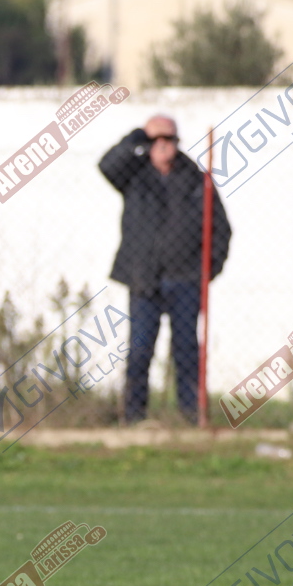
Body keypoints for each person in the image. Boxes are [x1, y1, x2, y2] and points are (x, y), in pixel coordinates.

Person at [99, 114, 231, 425]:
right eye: (154, 140)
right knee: (140, 349)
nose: (161, 145)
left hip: (185, 280)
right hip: (144, 279)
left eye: (167, 139)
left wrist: (206, 271)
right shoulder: (134, 175)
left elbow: (221, 230)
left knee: (186, 350)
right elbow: (107, 166)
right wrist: (138, 134)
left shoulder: (196, 179)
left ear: (177, 142)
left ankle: (191, 416)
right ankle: (134, 417)